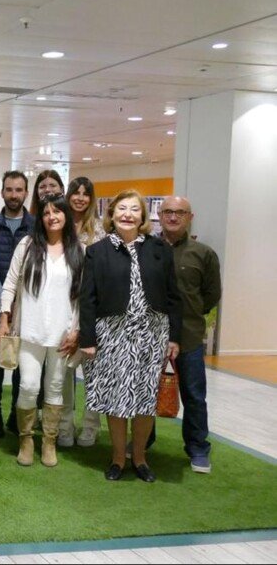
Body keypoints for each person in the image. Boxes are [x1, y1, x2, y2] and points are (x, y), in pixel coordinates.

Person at [79, 189, 182, 483]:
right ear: (111, 214)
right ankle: (116, 458)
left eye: (134, 209)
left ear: (143, 216)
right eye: (121, 208)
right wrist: (87, 340)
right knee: (116, 397)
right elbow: (88, 299)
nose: (127, 214)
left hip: (153, 334)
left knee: (145, 399)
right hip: (112, 335)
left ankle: (139, 458)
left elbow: (174, 297)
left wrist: (173, 337)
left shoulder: (160, 250)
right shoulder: (96, 252)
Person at [0, 194, 83, 467]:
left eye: (57, 212)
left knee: (55, 388)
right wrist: (4, 318)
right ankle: (26, 439)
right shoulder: (27, 244)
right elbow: (10, 284)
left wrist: (77, 330)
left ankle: (49, 442)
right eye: (46, 212)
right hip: (28, 330)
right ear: (40, 217)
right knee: (28, 386)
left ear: (66, 216)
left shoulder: (77, 249)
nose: (52, 217)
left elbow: (81, 295)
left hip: (62, 333)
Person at [160, 195, 221, 474]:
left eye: (180, 213)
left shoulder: (203, 254)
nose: (173, 217)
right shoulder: (147, 249)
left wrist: (192, 315)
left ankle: (197, 448)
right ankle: (142, 442)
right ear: (160, 215)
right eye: (168, 212)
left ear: (190, 217)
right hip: (151, 337)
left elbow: (211, 295)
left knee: (194, 395)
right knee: (146, 394)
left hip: (190, 337)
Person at [0, 171, 34, 438]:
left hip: (28, 310)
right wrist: (6, 304)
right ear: (2, 192)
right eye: (9, 190)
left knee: (21, 365)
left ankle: (15, 415)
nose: (14, 195)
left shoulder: (36, 227)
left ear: (26, 193)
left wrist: (17, 304)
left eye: (19, 190)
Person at [59, 176, 106, 448]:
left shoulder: (99, 230)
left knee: (92, 372)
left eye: (85, 194)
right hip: (61, 306)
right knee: (62, 372)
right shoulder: (60, 225)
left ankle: (90, 426)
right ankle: (64, 426)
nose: (79, 198)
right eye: (75, 193)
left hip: (91, 308)